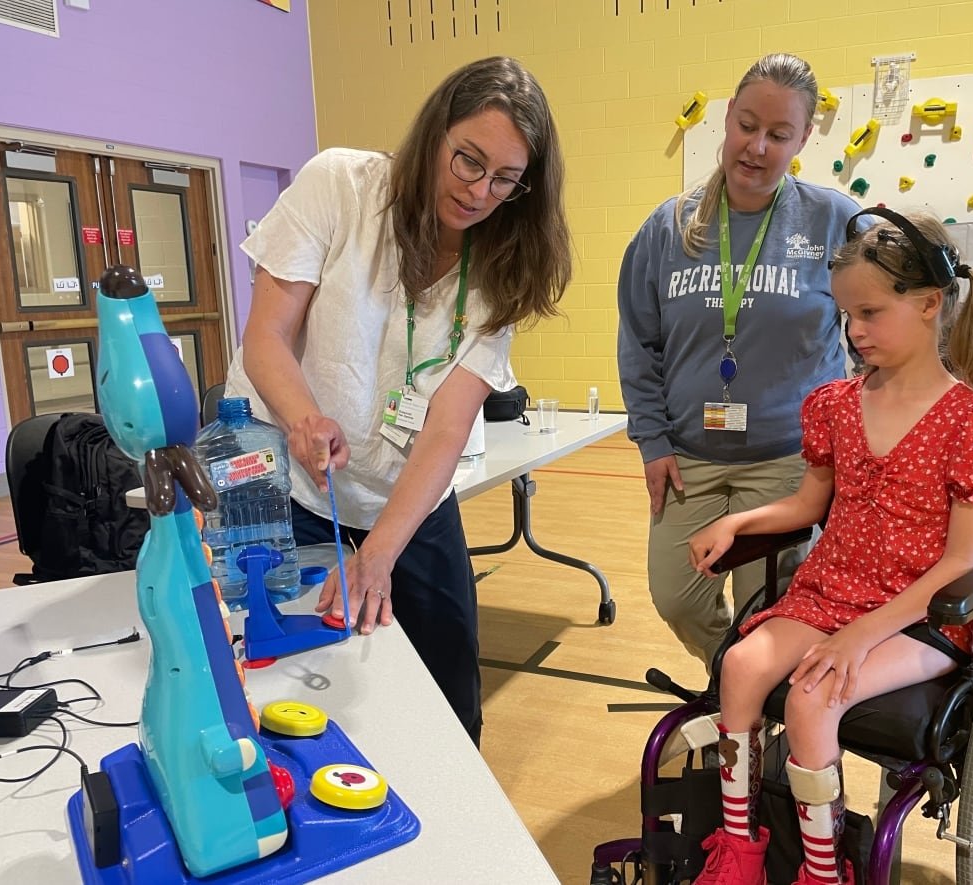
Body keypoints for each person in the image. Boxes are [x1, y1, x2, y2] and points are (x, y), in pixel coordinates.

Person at [223, 56, 572, 746]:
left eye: (506, 179)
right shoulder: (339, 186)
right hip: (288, 476)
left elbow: (446, 429)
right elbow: (266, 335)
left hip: (403, 488)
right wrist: (304, 418)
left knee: (451, 691)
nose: (479, 192)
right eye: (468, 161)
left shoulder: (505, 260)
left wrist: (379, 550)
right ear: (434, 133)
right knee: (284, 677)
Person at [685, 209, 973, 884]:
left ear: (930, 304)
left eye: (870, 312)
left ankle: (821, 869)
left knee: (813, 696)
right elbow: (811, 505)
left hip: (925, 613)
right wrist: (740, 521)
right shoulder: (835, 403)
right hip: (832, 588)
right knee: (743, 667)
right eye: (848, 315)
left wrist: (859, 635)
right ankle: (739, 848)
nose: (855, 331)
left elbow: (963, 562)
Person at [617, 52, 864, 673]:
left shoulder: (836, 222)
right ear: (727, 118)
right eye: (747, 125)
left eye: (778, 135)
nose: (756, 147)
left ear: (803, 138)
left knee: (768, 609)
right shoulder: (667, 228)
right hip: (688, 459)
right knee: (676, 595)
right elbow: (638, 342)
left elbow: (881, 324)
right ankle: (732, 678)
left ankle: (754, 720)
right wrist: (651, 439)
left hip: (787, 463)